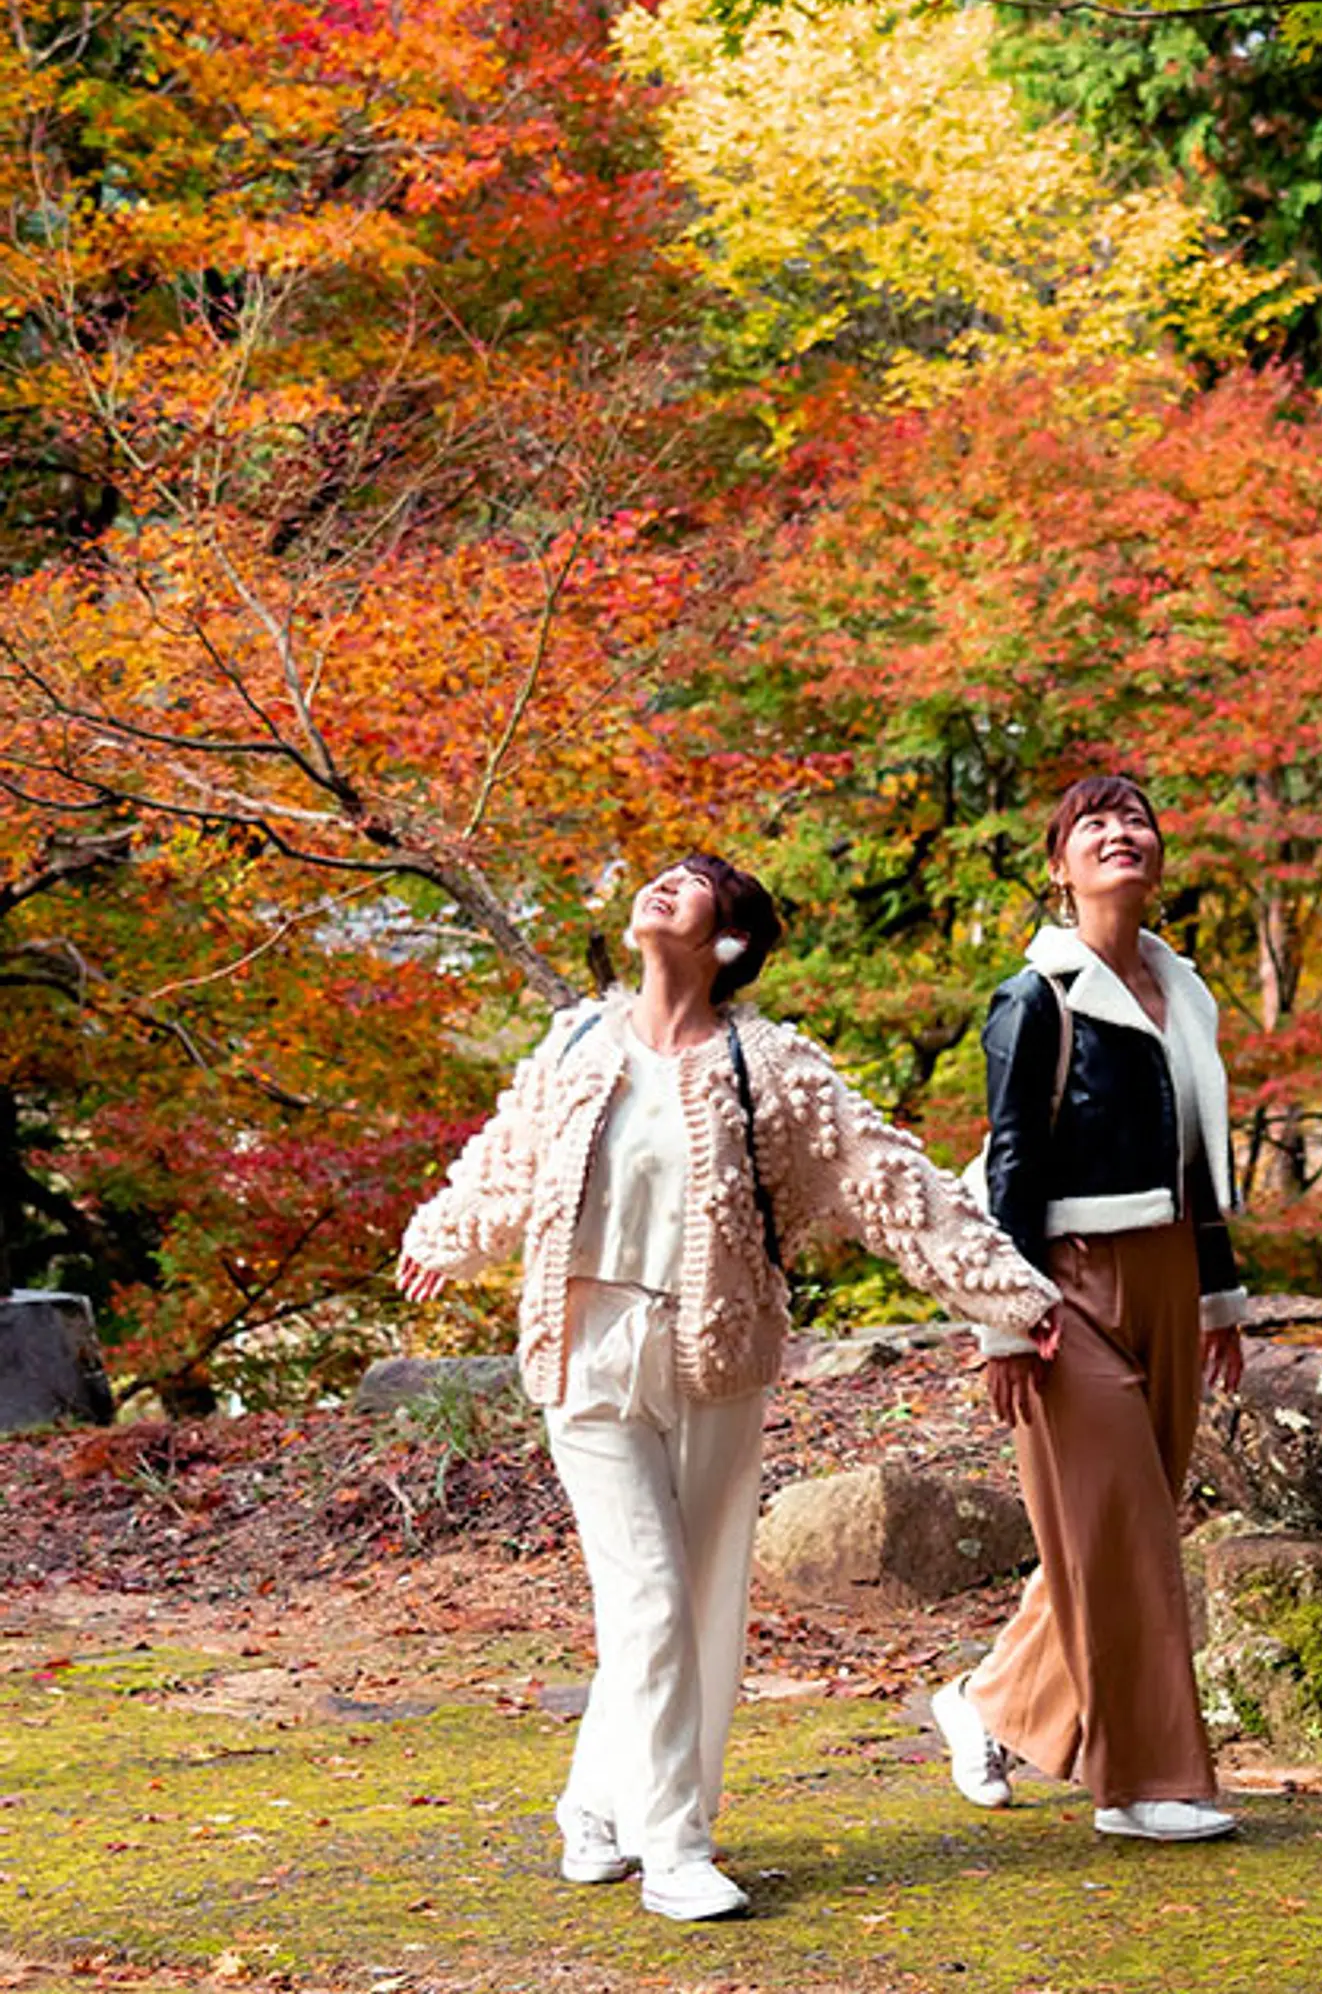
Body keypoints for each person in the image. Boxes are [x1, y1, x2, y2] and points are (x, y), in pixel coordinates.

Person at [398, 854, 1060, 1921]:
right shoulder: (575, 1043)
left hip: (717, 1354)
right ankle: (676, 1848)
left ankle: (596, 1810)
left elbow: (891, 1184)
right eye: (656, 876)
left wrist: (1009, 1296)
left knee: (693, 1602)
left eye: (690, 884)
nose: (660, 887)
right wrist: (443, 1234)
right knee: (649, 1593)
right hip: (586, 1349)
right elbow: (505, 1164)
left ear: (730, 943)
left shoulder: (774, 1069)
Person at [932, 774, 1248, 1843]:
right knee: (1124, 1531)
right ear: (1060, 868)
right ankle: (1142, 1783)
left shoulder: (1186, 992)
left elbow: (1206, 1161)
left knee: (1128, 1522)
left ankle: (989, 1704)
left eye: (1138, 818)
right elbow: (1008, 1166)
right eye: (1092, 825)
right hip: (1062, 1284)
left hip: (1167, 1272)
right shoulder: (1036, 998)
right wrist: (1002, 1323)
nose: (1121, 833)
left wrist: (1218, 1296)